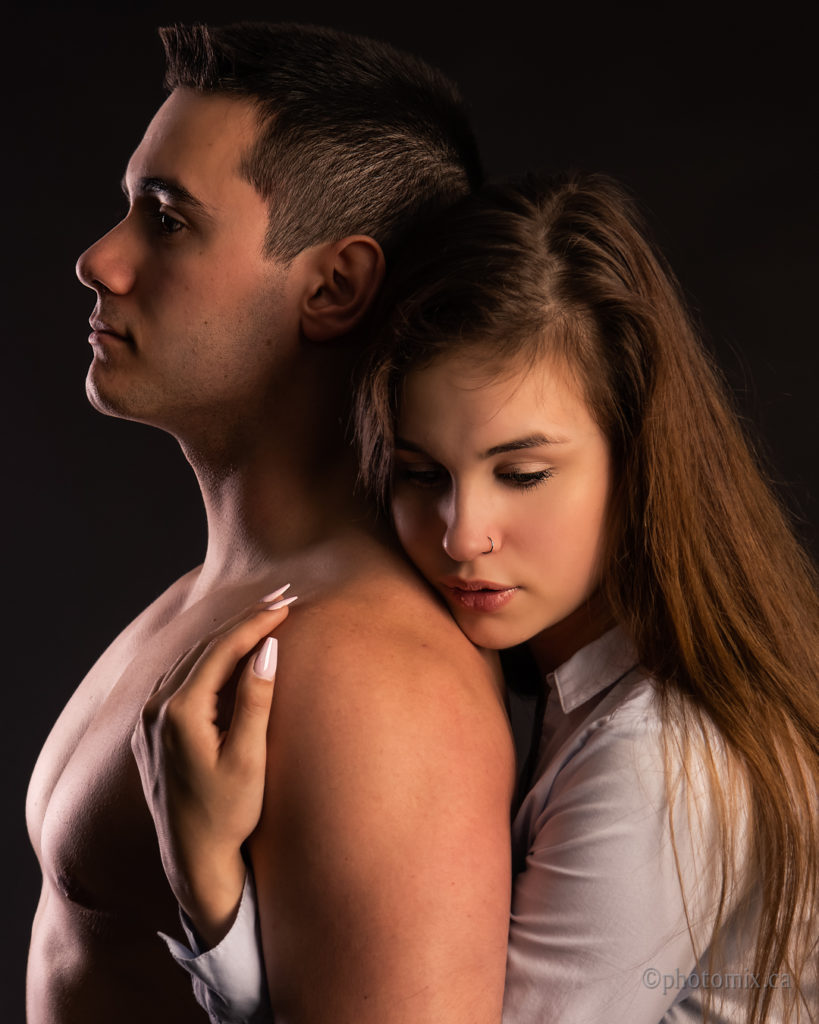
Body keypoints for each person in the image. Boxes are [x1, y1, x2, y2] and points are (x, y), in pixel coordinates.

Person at [162, 172, 819, 1022]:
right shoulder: (595, 697)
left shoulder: (654, 757)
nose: (461, 533)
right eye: (420, 473)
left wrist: (211, 890)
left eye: (523, 474)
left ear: (640, 459)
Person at [25, 22, 518, 1024]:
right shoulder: (228, 597)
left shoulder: (373, 673)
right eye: (128, 207)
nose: (97, 259)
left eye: (165, 222)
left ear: (334, 286)